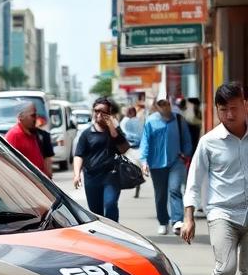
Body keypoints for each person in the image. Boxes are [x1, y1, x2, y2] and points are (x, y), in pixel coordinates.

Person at [181, 83, 248, 275]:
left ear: (245, 105)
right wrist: (188, 217)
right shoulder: (209, 142)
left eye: (234, 108)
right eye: (223, 109)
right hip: (223, 213)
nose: (229, 115)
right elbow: (194, 181)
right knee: (226, 268)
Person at [139, 90, 192, 236]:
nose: (164, 106)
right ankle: (163, 221)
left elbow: (187, 139)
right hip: (156, 164)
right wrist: (143, 161)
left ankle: (177, 221)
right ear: (157, 106)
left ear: (170, 103)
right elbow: (145, 142)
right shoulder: (151, 121)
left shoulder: (179, 119)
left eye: (166, 103)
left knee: (175, 190)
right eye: (160, 104)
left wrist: (185, 154)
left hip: (176, 162)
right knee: (161, 195)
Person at [72, 97, 129, 221]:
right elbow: (79, 155)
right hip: (91, 178)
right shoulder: (86, 134)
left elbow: (124, 149)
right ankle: (102, 231)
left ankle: (113, 229)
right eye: (96, 111)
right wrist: (77, 175)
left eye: (103, 112)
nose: (99, 114)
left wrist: (112, 129)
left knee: (110, 204)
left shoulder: (115, 131)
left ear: (109, 114)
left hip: (111, 176)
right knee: (96, 212)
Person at [5, 102, 53, 177]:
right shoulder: (15, 135)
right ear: (21, 117)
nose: (36, 118)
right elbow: (10, 164)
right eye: (33, 115)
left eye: (36, 115)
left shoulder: (32, 133)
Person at [119, 105, 144, 198]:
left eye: (128, 112)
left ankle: (135, 183)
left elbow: (125, 135)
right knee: (136, 168)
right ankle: (137, 185)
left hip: (131, 148)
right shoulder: (139, 122)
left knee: (130, 167)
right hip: (138, 148)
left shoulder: (128, 122)